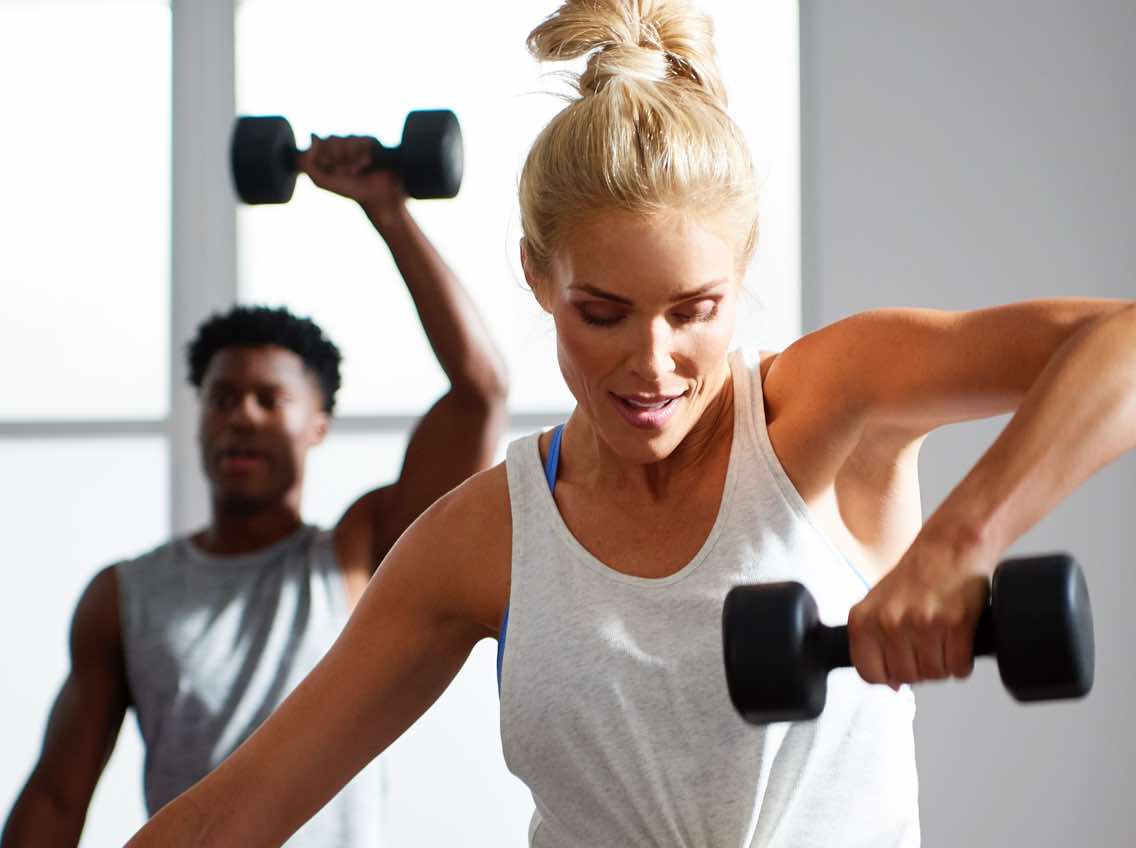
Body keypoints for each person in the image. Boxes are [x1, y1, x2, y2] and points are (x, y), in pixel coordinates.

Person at [126, 1, 1136, 845]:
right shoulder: (484, 537)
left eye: (694, 309)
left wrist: (957, 545)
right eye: (600, 312)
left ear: (740, 279)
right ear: (537, 276)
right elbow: (229, 816)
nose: (649, 363)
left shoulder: (824, 409)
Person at [1, 137, 507, 847]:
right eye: (224, 398)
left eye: (270, 400)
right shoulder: (124, 596)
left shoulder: (360, 554)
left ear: (318, 426)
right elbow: (57, 798)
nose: (242, 415)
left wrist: (389, 212)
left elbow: (479, 392)